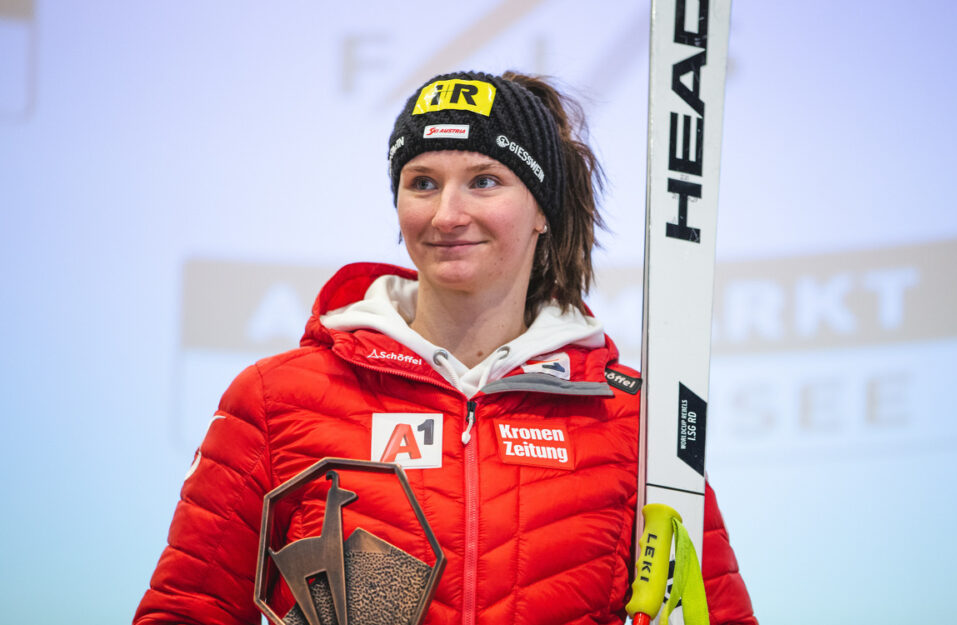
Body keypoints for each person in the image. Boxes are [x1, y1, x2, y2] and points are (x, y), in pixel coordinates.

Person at [134, 70, 756, 625]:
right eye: (423, 183)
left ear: (543, 210)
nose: (447, 214)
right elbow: (187, 609)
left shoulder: (630, 420)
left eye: (484, 181)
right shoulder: (278, 400)